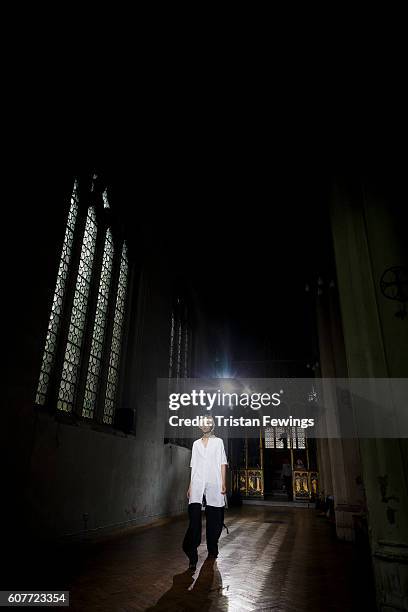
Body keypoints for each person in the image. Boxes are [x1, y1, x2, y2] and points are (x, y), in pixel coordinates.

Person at [182, 415, 228, 570]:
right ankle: (191, 552)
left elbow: (222, 463)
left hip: (214, 483)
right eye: (202, 423)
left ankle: (212, 549)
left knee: (214, 518)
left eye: (208, 422)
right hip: (197, 483)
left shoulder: (219, 442)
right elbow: (193, 466)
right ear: (200, 426)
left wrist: (223, 482)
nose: (205, 425)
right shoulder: (195, 444)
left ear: (212, 425)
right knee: (194, 519)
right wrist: (190, 486)